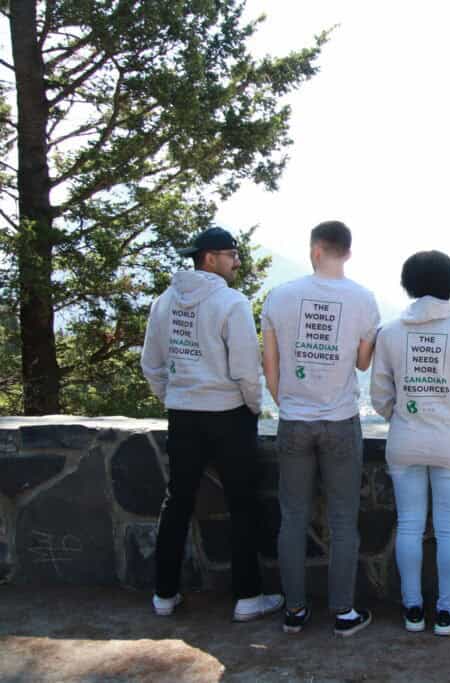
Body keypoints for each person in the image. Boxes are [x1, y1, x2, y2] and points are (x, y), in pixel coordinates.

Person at [141, 227, 283, 621]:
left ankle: (164, 594)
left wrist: (174, 397)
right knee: (242, 503)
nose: (237, 261)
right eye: (231, 254)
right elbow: (244, 369)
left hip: (183, 415)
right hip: (229, 415)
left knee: (177, 501)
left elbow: (151, 364)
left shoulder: (163, 302)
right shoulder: (231, 303)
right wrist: (253, 407)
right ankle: (247, 598)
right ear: (209, 258)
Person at [261, 221, 380, 636]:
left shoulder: (280, 296)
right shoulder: (364, 300)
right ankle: (344, 613)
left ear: (315, 250)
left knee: (292, 516)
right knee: (344, 519)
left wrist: (286, 402)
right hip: (341, 420)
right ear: (347, 253)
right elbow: (363, 363)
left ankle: (294, 611)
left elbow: (270, 363)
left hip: (295, 419)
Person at [370, 251, 450, 637]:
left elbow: (380, 394)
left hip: (405, 439)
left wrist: (401, 417)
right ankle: (446, 612)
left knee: (408, 525)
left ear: (409, 284)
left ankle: (412, 609)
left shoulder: (389, 332)